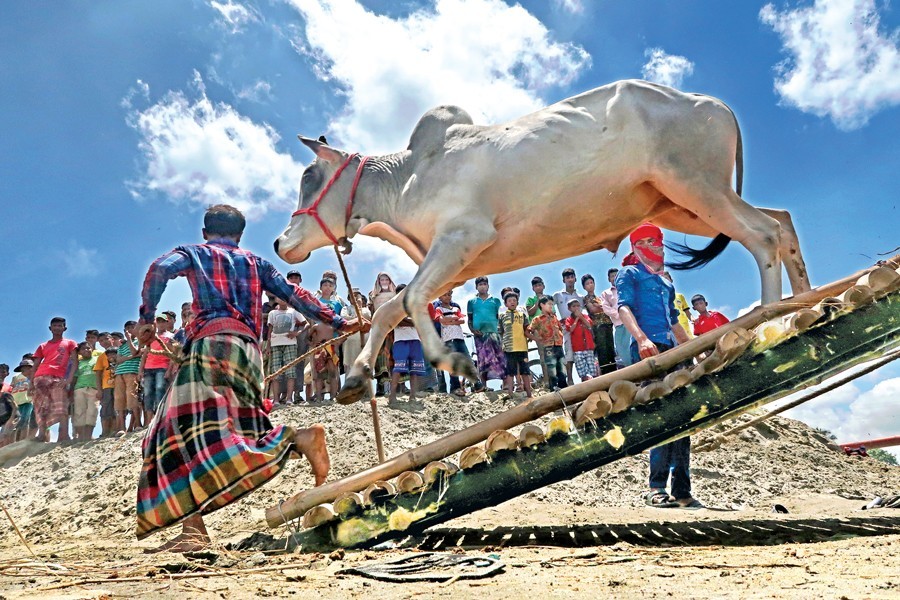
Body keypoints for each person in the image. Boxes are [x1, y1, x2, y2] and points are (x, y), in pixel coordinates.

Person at [135, 204, 364, 552]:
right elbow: (294, 294)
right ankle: (196, 527)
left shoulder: (194, 253)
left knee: (171, 433)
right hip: (248, 350)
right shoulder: (256, 263)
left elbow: (159, 269)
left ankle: (293, 442)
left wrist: (147, 317)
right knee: (241, 427)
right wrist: (337, 321)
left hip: (211, 344)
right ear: (240, 236)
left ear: (204, 232)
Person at [616, 223, 698, 510]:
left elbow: (675, 320)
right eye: (650, 240)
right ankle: (656, 487)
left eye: (659, 241)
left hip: (674, 351)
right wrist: (641, 339)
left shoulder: (665, 282)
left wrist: (691, 348)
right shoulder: (630, 273)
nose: (657, 246)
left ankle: (682, 490)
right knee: (662, 416)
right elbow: (623, 307)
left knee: (684, 419)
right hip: (649, 351)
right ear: (637, 246)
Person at [30, 317, 78, 443]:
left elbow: (74, 362)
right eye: (55, 326)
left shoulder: (70, 343)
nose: (57, 328)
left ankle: (64, 435)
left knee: (61, 406)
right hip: (41, 377)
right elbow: (35, 365)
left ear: (64, 328)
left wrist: (69, 379)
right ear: (50, 328)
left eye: (60, 326)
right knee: (42, 407)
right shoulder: (43, 346)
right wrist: (31, 383)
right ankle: (42, 435)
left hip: (59, 378)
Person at [389, 284, 427, 404]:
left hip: (415, 340)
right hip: (400, 340)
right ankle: (392, 395)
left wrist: (405, 320)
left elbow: (420, 321)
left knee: (415, 369)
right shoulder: (394, 307)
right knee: (398, 368)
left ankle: (412, 396)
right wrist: (411, 321)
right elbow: (396, 321)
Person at [467, 276, 506, 388]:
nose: (483, 286)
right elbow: (469, 319)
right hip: (480, 335)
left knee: (500, 358)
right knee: (482, 360)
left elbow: (500, 317)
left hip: (495, 334)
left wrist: (500, 331)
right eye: (480, 284)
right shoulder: (472, 302)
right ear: (476, 287)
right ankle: (483, 386)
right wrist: (472, 330)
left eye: (484, 284)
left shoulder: (496, 301)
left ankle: (505, 385)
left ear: (488, 286)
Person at [432, 289, 472, 397]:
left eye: (449, 294)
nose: (447, 296)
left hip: (454, 337)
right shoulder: (434, 306)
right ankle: (442, 389)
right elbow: (440, 320)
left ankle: (461, 386)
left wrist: (450, 321)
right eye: (444, 294)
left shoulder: (455, 306)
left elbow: (461, 320)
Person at [267, 298, 306, 405]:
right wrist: (268, 346)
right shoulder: (272, 313)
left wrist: (297, 333)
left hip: (290, 343)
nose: (282, 299)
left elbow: (306, 324)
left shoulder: (293, 311)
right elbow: (270, 330)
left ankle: (289, 398)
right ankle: (275, 400)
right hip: (275, 344)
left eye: (284, 297)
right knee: (276, 372)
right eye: (279, 297)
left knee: (290, 371)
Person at [498, 291, 534, 398]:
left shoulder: (523, 315)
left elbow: (526, 329)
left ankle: (529, 393)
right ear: (505, 304)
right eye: (509, 301)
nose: (512, 302)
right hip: (509, 348)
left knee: (525, 371)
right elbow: (500, 332)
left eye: (514, 300)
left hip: (522, 347)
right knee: (510, 372)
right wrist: (502, 345)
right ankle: (510, 393)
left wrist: (534, 337)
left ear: (517, 302)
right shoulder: (502, 316)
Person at [140, 315, 175, 422]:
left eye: (163, 321)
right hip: (148, 368)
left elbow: (172, 353)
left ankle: (159, 418)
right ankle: (149, 420)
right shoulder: (151, 337)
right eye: (158, 322)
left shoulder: (171, 336)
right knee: (148, 392)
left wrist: (169, 370)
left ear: (167, 322)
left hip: (162, 367)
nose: (160, 324)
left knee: (160, 389)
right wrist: (140, 370)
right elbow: (145, 355)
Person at [369, 272, 398, 397]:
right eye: (382, 280)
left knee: (394, 356)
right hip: (379, 328)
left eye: (387, 279)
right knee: (380, 358)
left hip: (394, 328)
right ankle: (381, 387)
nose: (384, 282)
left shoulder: (395, 295)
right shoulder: (373, 295)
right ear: (378, 282)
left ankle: (396, 387)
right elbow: (372, 312)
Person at [529, 296, 567, 390]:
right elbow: (528, 330)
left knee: (562, 366)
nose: (551, 306)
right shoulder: (537, 319)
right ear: (542, 305)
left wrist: (560, 335)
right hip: (548, 346)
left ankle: (564, 386)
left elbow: (560, 328)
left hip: (558, 344)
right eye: (549, 304)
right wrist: (536, 339)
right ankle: (553, 387)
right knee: (552, 366)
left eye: (552, 304)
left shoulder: (554, 317)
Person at [582, 273, 616, 374]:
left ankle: (614, 371)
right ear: (584, 287)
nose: (590, 285)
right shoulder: (587, 298)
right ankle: (606, 373)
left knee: (610, 349)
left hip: (608, 324)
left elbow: (606, 308)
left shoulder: (600, 297)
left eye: (592, 282)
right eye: (587, 283)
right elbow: (593, 310)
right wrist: (603, 307)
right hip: (598, 326)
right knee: (602, 350)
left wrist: (601, 306)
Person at [553, 268, 581, 386]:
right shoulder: (558, 295)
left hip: (579, 326)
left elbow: (582, 311)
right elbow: (549, 307)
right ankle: (570, 379)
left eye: (571, 277)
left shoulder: (580, 296)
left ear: (575, 278)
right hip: (566, 327)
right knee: (569, 352)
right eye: (567, 277)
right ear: (564, 280)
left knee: (580, 351)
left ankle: (584, 378)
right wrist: (557, 321)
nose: (570, 279)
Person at [286, 270, 311, 402]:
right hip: (285, 329)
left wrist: (310, 332)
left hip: (302, 328)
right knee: (286, 361)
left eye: (296, 277)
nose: (294, 279)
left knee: (299, 362)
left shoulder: (305, 294)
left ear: (300, 280)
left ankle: (297, 393)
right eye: (291, 277)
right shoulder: (282, 293)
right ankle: (285, 394)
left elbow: (311, 312)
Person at [599, 268, 631, 368]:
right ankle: (631, 369)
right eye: (612, 276)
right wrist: (619, 314)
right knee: (621, 348)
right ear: (609, 279)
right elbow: (605, 308)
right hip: (619, 324)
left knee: (633, 346)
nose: (615, 278)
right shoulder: (606, 293)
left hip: (631, 322)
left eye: (616, 275)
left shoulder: (626, 288)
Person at [115, 321, 143, 433]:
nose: (130, 330)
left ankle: (138, 424)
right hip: (119, 373)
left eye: (133, 327)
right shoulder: (121, 346)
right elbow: (118, 360)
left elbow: (136, 351)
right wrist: (132, 356)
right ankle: (122, 427)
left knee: (132, 397)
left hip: (132, 372)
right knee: (119, 399)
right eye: (128, 328)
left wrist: (129, 339)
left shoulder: (140, 341)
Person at [563, 299, 600, 381]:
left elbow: (589, 325)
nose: (576, 308)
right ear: (569, 309)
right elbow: (571, 329)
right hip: (578, 348)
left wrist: (581, 317)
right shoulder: (569, 319)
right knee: (582, 370)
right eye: (573, 306)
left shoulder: (585, 316)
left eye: (578, 306)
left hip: (588, 346)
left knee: (592, 368)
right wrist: (576, 319)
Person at [72, 342, 100, 441]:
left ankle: (88, 435)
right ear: (79, 352)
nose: (86, 350)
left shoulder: (97, 359)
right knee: (79, 412)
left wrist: (100, 390)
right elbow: (74, 377)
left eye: (88, 348)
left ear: (92, 348)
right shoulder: (78, 363)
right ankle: (81, 436)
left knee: (92, 410)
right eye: (83, 349)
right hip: (79, 388)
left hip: (94, 388)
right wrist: (71, 391)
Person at [341, 289, 371, 379]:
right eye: (352, 296)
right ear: (349, 298)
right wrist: (357, 318)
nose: (354, 298)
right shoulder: (345, 309)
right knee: (350, 365)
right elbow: (344, 318)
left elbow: (367, 317)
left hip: (364, 339)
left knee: (364, 363)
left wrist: (359, 309)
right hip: (350, 341)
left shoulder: (366, 309)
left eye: (356, 296)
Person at [10, 359, 34, 441]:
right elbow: (12, 388)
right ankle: (13, 443)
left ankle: (22, 441)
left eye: (24, 369)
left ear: (30, 368)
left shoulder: (34, 376)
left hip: (27, 401)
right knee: (14, 423)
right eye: (21, 370)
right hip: (16, 402)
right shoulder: (16, 377)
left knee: (25, 420)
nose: (23, 371)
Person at [97, 348, 118, 437]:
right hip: (106, 387)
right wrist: (99, 389)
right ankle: (105, 432)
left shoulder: (121, 359)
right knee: (105, 409)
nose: (111, 356)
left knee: (116, 409)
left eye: (113, 354)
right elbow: (98, 373)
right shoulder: (101, 357)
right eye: (108, 355)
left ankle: (114, 430)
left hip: (118, 386)